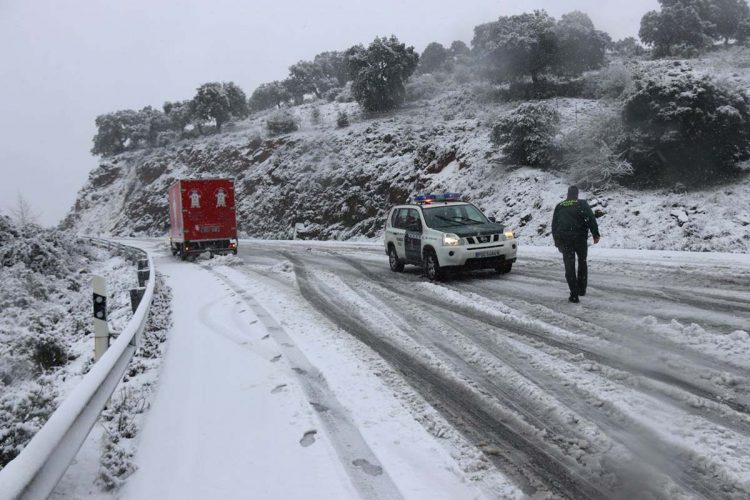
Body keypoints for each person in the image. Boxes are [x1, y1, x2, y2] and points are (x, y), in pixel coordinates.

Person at [551, 186, 601, 303]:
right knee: (582, 262)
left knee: (569, 266)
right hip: (580, 238)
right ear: (577, 194)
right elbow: (590, 219)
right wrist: (595, 234)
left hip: (565, 240)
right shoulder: (582, 204)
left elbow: (554, 225)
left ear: (567, 194)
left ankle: (574, 294)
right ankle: (581, 289)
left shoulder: (560, 206)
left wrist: (557, 241)